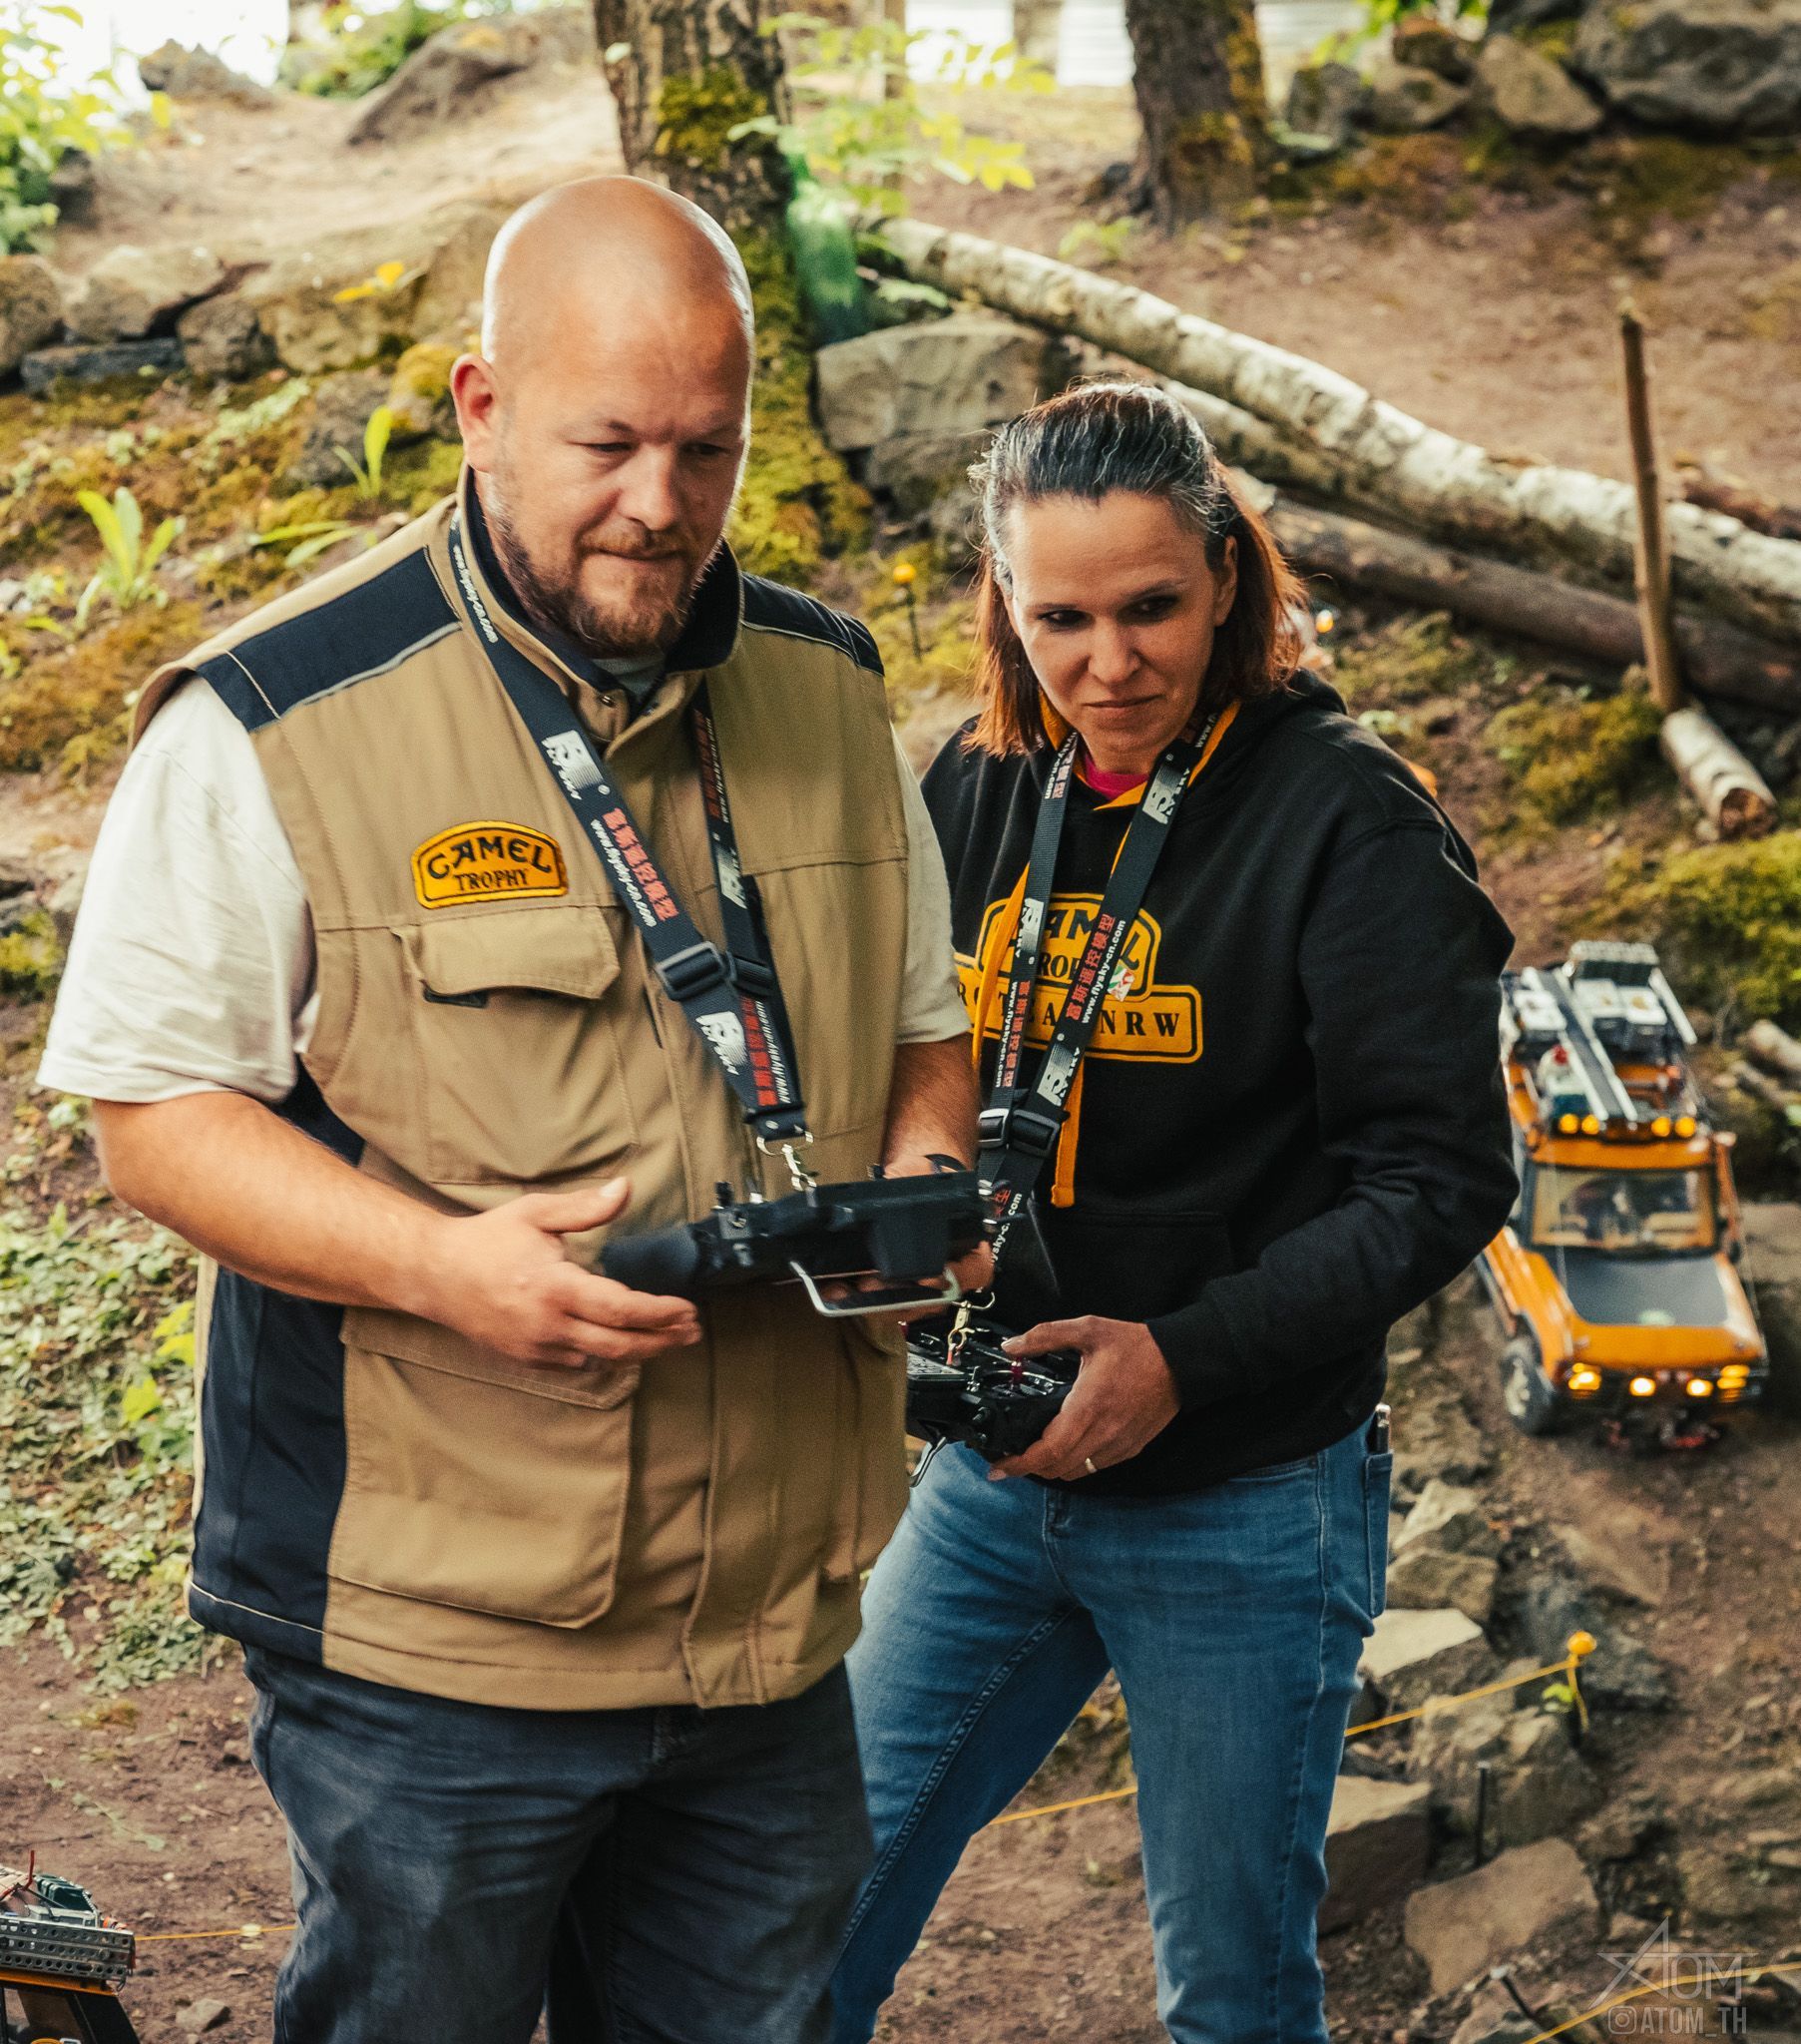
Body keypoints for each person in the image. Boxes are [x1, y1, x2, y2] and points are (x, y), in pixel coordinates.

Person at [37, 176, 987, 2044]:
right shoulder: (275, 717)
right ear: (482, 408)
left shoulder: (827, 688)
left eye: (706, 450)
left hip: (773, 1635)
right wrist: (440, 1268)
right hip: (436, 1651)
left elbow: (919, 1031)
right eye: (606, 445)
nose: (660, 503)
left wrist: (920, 1180)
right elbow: (151, 1116)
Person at [829, 381, 1518, 2044]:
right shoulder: (974, 784)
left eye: (1149, 608)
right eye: (1059, 619)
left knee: (1232, 1998)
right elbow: (918, 1068)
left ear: (1226, 577)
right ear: (1005, 602)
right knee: (797, 1919)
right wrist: (922, 1215)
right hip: (993, 1471)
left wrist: (1182, 1358)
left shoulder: (1349, 819)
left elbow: (1440, 1180)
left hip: (1244, 1496)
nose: (1108, 666)